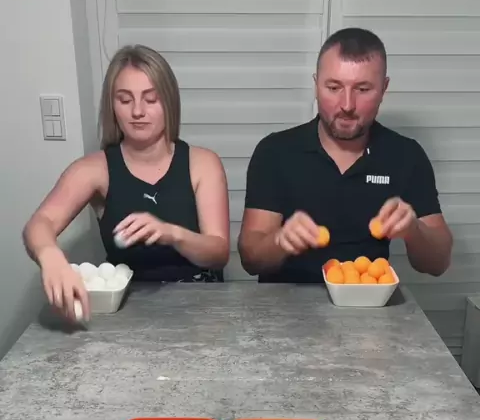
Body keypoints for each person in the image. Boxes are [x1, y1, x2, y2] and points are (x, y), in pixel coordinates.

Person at [23, 45, 230, 321]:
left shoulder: (202, 163)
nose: (137, 111)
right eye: (124, 99)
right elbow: (40, 223)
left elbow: (219, 253)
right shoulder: (94, 169)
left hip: (202, 311)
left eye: (151, 99)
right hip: (126, 314)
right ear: (112, 106)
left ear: (169, 102)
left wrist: (172, 233)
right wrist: (50, 257)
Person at [238, 28, 452, 283]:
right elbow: (250, 260)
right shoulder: (275, 151)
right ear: (316, 85)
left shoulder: (406, 155)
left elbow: (438, 264)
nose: (347, 105)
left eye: (362, 89)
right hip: (284, 302)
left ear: (384, 89)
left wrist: (413, 230)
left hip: (368, 300)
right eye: (333, 87)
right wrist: (280, 241)